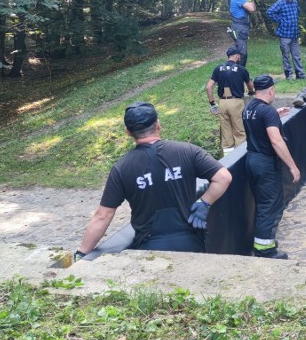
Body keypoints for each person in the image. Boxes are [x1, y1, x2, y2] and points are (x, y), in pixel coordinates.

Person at [75, 102, 232, 260]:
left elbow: (103, 215)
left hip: (149, 248)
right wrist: (204, 203)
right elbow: (223, 177)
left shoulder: (121, 168)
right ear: (158, 124)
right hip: (191, 243)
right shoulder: (188, 151)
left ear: (128, 132)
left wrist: (82, 253)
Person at [243, 75, 301, 259]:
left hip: (251, 160)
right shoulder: (267, 112)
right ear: (271, 90)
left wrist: (275, 115)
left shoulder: (249, 108)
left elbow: (258, 125)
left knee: (262, 204)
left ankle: (263, 242)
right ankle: (265, 250)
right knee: (271, 206)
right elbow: (275, 141)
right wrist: (293, 167)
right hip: (265, 164)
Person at [206, 46, 255, 155]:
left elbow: (209, 87)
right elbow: (250, 86)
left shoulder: (218, 68)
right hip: (236, 102)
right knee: (240, 132)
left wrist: (212, 103)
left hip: (222, 103)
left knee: (226, 134)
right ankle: (240, 158)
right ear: (237, 56)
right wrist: (251, 92)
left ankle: (228, 161)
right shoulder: (241, 69)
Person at [266, 0, 306, 80]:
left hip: (294, 34)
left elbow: (298, 12)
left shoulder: (295, 2)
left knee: (296, 56)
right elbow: (269, 12)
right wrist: (280, 20)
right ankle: (289, 75)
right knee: (286, 56)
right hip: (284, 34)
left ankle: (300, 74)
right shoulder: (280, 2)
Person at [230, 0, 256, 68]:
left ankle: (236, 75)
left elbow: (250, 8)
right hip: (239, 28)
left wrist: (249, 4)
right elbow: (252, 9)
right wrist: (251, 4)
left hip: (239, 28)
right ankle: (239, 76)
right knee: (242, 54)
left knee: (239, 52)